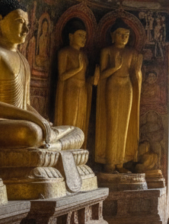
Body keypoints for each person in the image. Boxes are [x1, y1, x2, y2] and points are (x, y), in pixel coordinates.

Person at [0, 0, 82, 150]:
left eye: (28, 24)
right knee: (32, 132)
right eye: (20, 22)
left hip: (23, 122)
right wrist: (32, 118)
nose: (26, 29)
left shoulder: (23, 60)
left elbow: (26, 104)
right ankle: (50, 144)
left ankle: (49, 145)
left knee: (76, 131)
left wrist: (40, 119)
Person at [95, 21, 143, 173]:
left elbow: (135, 75)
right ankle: (110, 162)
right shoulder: (107, 51)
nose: (123, 37)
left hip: (126, 87)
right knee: (112, 123)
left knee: (124, 125)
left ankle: (120, 163)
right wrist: (114, 68)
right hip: (112, 85)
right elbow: (102, 76)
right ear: (112, 35)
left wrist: (138, 71)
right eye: (120, 34)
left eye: (126, 35)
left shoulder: (132, 53)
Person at [55, 20, 97, 138]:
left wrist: (93, 79)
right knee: (70, 120)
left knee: (80, 120)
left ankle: (78, 145)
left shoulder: (84, 56)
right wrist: (77, 69)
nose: (83, 38)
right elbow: (62, 76)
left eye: (85, 36)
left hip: (83, 91)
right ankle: (67, 144)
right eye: (80, 35)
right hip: (70, 90)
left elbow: (85, 77)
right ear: (71, 36)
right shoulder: (64, 53)